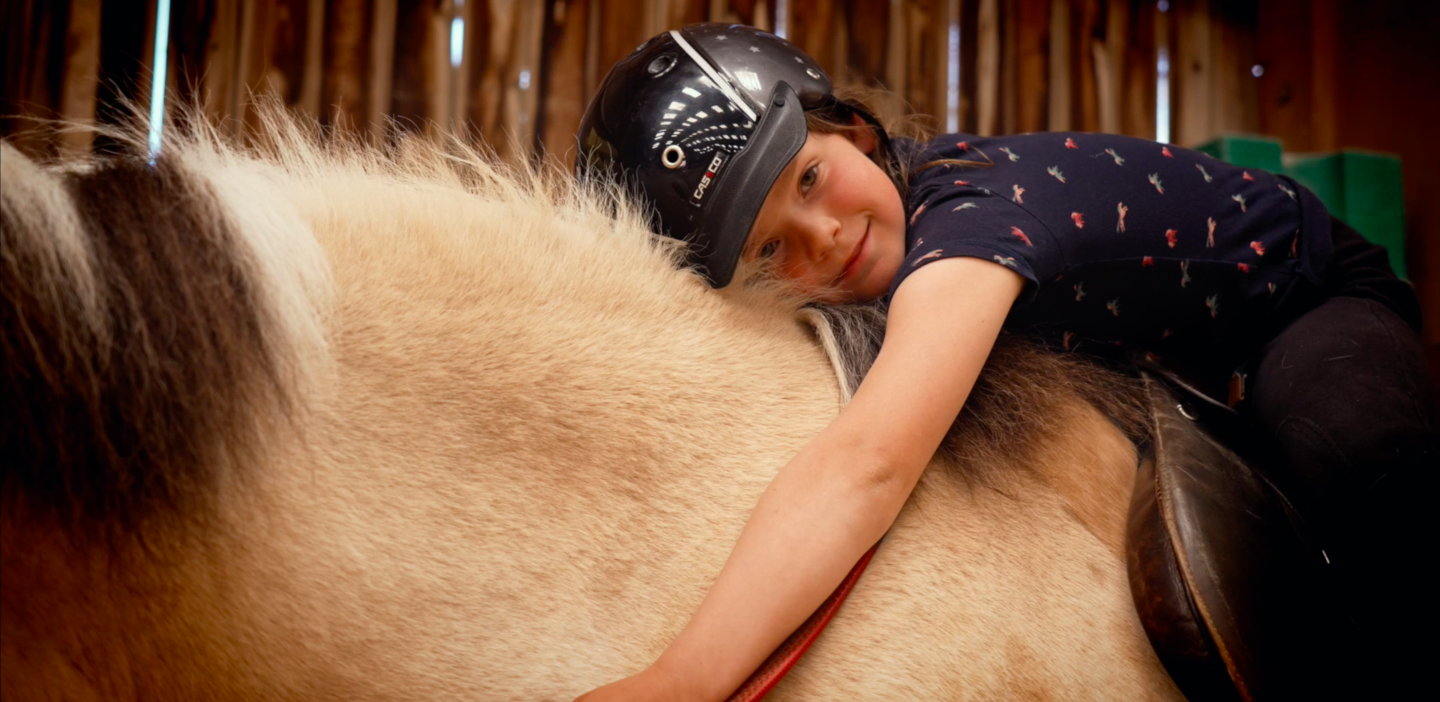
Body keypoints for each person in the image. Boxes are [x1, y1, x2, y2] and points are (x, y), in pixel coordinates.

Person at [572, 23, 1434, 701]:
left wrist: (679, 680)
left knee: (1358, 453)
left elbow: (868, 465)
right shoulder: (894, 227)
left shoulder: (974, 227)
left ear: (855, 134)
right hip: (1156, 348)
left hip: (1303, 297)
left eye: (806, 181)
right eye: (770, 253)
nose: (825, 238)